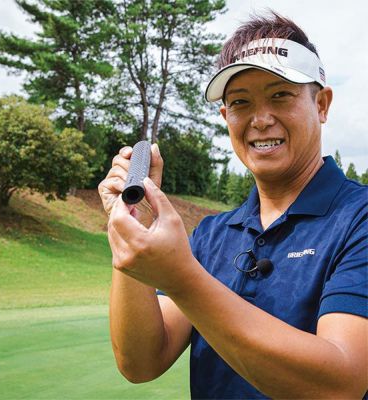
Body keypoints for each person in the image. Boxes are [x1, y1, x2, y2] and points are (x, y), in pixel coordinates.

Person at [98, 11, 368, 399]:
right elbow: (141, 362)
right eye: (241, 102)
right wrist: (131, 227)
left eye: (280, 95)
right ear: (226, 117)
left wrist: (182, 278)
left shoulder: (359, 217)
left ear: (322, 104)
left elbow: (340, 385)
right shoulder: (211, 235)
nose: (260, 119)